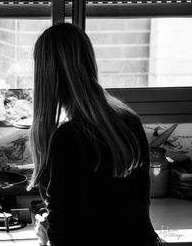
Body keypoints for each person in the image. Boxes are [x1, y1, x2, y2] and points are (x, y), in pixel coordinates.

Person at [28, 23, 161, 246]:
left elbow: (67, 238)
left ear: (46, 75)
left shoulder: (69, 137)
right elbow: (116, 206)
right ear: (89, 61)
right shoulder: (128, 120)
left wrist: (47, 236)